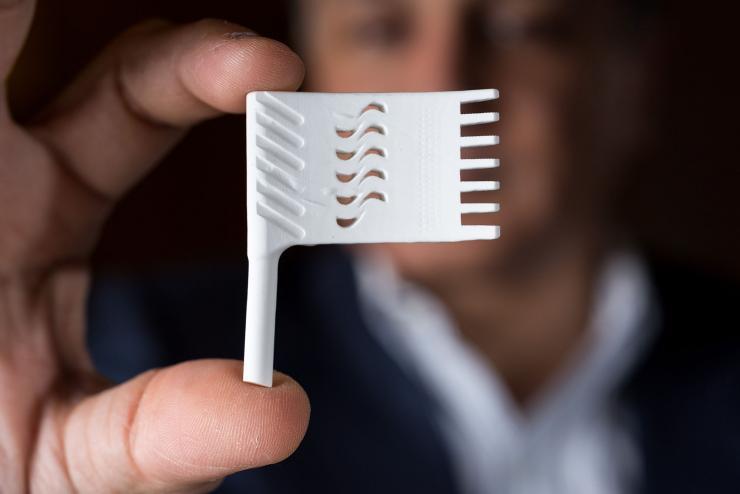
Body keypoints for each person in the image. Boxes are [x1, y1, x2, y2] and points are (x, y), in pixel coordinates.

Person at [1, 0, 738, 493]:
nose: (440, 80)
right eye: (382, 31)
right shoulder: (123, 362)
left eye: (519, 27)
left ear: (632, 78)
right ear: (319, 79)